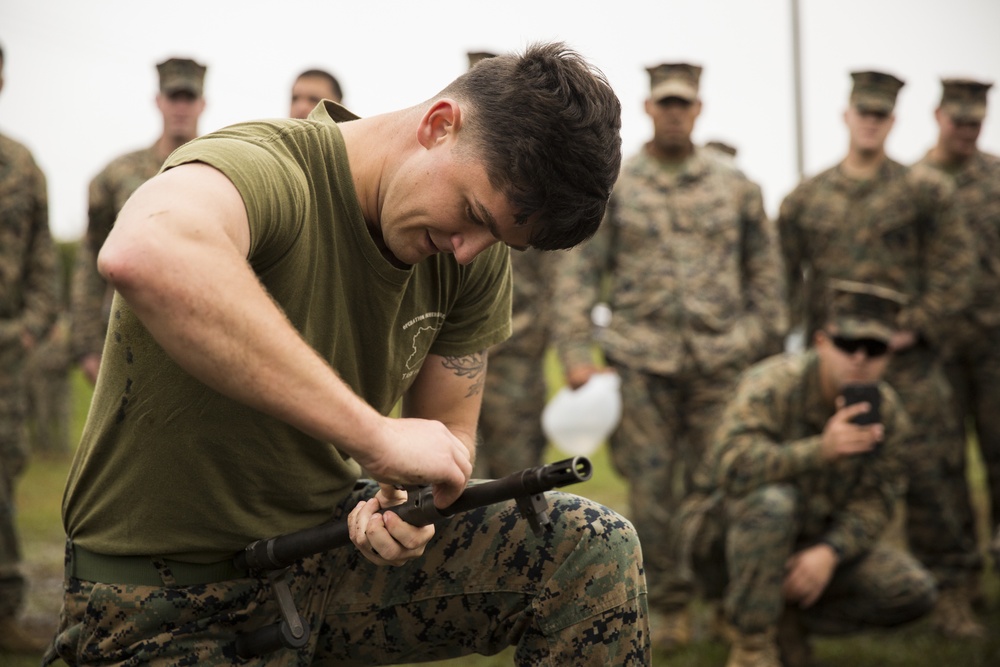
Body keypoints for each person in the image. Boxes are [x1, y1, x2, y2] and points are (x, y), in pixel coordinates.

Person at [46, 43, 648, 666]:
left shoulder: (468, 250)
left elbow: (446, 439)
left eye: (497, 236)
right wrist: (375, 437)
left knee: (591, 548)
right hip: (158, 592)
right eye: (473, 215)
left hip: (326, 558)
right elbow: (145, 254)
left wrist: (407, 504)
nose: (469, 250)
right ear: (440, 126)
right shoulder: (266, 166)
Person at [549, 61, 787, 651]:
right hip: (642, 363)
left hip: (721, 364)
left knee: (722, 486)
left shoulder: (736, 186)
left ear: (698, 109)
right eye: (665, 103)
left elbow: (767, 274)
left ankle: (730, 603)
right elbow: (579, 271)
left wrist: (760, 340)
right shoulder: (618, 185)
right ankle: (672, 604)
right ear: (649, 108)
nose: (675, 112)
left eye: (684, 103)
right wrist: (577, 352)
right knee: (653, 494)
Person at [777, 69, 983, 637]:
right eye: (862, 113)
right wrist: (793, 344)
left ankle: (953, 592)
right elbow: (784, 280)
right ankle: (797, 589)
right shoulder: (807, 198)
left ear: (893, 121)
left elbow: (955, 271)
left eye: (881, 115)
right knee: (818, 468)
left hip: (909, 366)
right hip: (830, 368)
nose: (870, 122)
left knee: (935, 474)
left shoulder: (923, 191)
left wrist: (910, 329)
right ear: (847, 117)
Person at [673, 279, 937, 667]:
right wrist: (820, 450)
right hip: (723, 539)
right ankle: (751, 646)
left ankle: (786, 618)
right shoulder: (773, 385)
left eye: (875, 348)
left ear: (889, 355)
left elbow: (877, 501)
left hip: (812, 544)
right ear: (822, 342)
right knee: (773, 503)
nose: (860, 358)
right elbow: (731, 467)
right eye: (848, 345)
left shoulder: (889, 416)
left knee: (911, 590)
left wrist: (829, 553)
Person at [70, 57, 207, 385]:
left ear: (202, 104)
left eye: (189, 98)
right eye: (174, 97)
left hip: (202, 336)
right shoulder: (118, 175)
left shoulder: (218, 170)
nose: (181, 107)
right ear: (158, 102)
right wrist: (87, 345)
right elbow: (91, 259)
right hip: (128, 339)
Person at [914, 78, 1000, 586]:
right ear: (938, 116)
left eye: (976, 122)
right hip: (938, 347)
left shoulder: (995, 179)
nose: (966, 131)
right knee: (942, 463)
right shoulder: (916, 183)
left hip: (996, 342)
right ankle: (957, 580)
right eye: (958, 120)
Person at [466, 50, 555, 478]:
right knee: (448, 475)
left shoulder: (533, 186)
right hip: (454, 347)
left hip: (515, 357)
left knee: (513, 476)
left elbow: (560, 278)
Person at [0, 40, 60, 654]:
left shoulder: (19, 165)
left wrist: (29, 328)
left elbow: (43, 259)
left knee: (2, 470)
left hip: (2, 352)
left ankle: (3, 606)